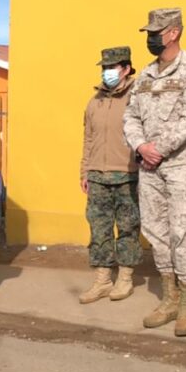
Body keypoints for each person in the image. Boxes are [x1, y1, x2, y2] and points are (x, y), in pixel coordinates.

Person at [124, 9, 186, 337]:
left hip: (184, 165)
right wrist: (140, 146)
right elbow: (130, 116)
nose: (150, 37)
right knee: (156, 233)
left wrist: (156, 148)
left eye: (157, 31)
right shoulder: (145, 76)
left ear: (174, 32)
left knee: (183, 233)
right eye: (148, 31)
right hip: (150, 167)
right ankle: (169, 297)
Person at [78, 46, 142, 304]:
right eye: (104, 68)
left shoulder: (136, 97)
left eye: (112, 67)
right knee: (99, 229)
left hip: (127, 174)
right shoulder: (95, 101)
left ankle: (125, 278)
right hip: (97, 176)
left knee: (128, 227)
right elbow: (88, 138)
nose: (107, 72)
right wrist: (85, 169)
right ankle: (103, 280)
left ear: (126, 69)